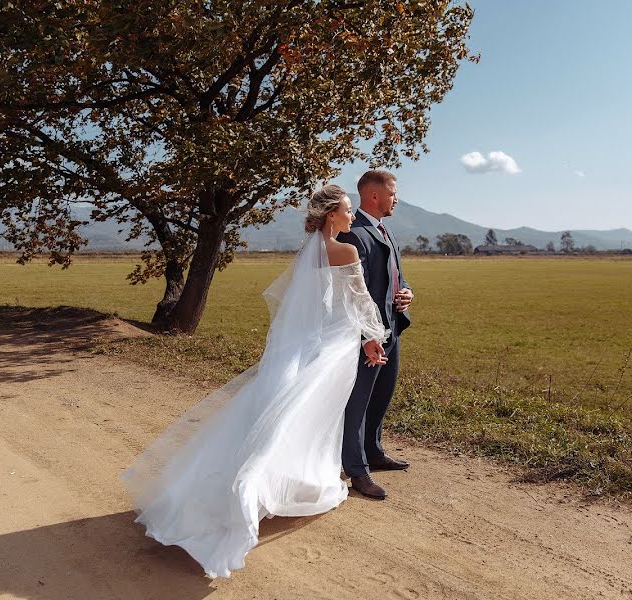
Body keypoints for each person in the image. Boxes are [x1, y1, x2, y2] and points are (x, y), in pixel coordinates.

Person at [120, 184, 391, 579]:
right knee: (313, 417)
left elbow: (306, 307)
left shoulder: (307, 252)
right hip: (333, 346)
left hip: (303, 345)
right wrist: (374, 337)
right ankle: (258, 486)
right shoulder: (346, 250)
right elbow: (359, 301)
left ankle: (270, 481)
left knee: (286, 414)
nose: (352, 216)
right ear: (332, 215)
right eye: (348, 210)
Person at [337, 170, 414, 499]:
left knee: (382, 394)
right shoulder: (354, 234)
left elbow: (397, 277)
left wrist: (408, 293)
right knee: (359, 402)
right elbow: (353, 294)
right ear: (373, 196)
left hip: (391, 328)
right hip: (366, 334)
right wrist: (367, 334)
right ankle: (357, 470)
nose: (396, 198)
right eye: (393, 192)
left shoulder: (385, 231)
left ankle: (374, 451)